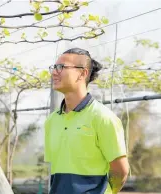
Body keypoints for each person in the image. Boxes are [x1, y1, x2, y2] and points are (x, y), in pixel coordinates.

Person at [44, 48, 130, 194]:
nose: (54, 72)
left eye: (61, 67)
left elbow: (120, 171)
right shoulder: (52, 121)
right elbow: (58, 172)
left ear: (82, 73)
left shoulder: (103, 118)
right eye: (54, 67)